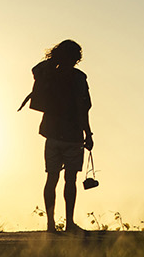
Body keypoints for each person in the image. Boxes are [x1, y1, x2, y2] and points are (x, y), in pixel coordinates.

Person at [21, 40, 93, 231]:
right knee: (70, 180)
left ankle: (51, 224)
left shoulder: (50, 74)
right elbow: (82, 109)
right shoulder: (78, 78)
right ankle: (69, 223)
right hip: (72, 136)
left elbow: (35, 69)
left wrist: (53, 61)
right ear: (77, 58)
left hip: (51, 134)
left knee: (51, 178)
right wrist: (89, 134)